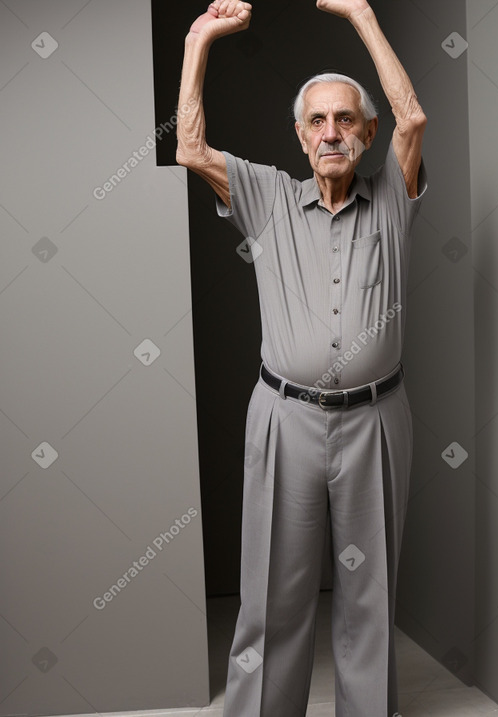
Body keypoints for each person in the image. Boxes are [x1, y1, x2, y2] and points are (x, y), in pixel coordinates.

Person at [176, 1, 427, 715]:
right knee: (271, 594)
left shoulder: (392, 200)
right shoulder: (268, 197)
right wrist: (199, 41)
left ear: (367, 132)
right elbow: (191, 149)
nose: (331, 133)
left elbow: (414, 120)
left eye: (347, 119)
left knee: (368, 597)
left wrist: (363, 19)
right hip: (284, 418)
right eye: (316, 120)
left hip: (376, 422)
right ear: (298, 134)